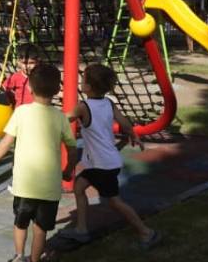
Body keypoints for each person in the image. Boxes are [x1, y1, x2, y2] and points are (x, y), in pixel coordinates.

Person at [0, 63, 78, 262]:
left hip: (25, 184)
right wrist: (67, 171)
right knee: (41, 229)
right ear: (57, 90)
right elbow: (72, 150)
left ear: (30, 88)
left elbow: (6, 142)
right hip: (50, 186)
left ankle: (18, 258)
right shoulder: (60, 117)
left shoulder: (21, 112)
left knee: (20, 222)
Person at [58, 64, 161, 249]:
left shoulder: (83, 107)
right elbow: (125, 123)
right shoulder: (108, 103)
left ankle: (146, 232)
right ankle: (81, 229)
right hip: (105, 162)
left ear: (89, 87)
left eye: (83, 80)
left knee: (114, 201)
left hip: (102, 165)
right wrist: (133, 135)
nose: (81, 82)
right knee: (79, 187)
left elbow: (63, 119)